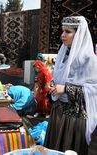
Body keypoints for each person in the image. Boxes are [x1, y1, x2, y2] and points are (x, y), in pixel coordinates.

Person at [44, 16, 97, 155]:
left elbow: (93, 90)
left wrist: (66, 89)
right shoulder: (63, 54)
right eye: (63, 31)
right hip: (58, 113)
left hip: (73, 119)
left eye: (68, 31)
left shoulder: (89, 59)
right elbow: (60, 77)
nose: (62, 35)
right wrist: (53, 84)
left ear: (79, 34)